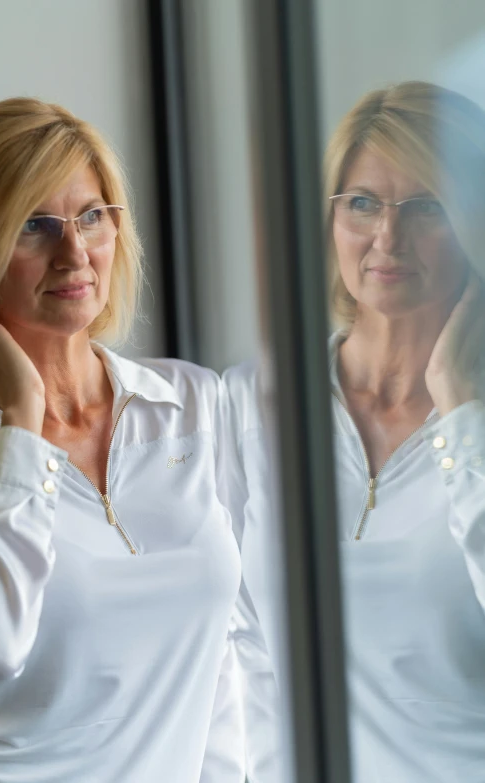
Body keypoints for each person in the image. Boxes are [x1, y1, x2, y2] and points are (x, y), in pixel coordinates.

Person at [0, 97, 245, 783]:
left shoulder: (192, 406)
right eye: (34, 226)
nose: (75, 253)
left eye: (93, 216)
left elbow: (226, 654)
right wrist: (22, 415)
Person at [227, 81, 485, 783]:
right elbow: (240, 653)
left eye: (427, 206)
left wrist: (461, 409)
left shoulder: (476, 420)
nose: (387, 238)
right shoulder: (251, 400)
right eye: (363, 203)